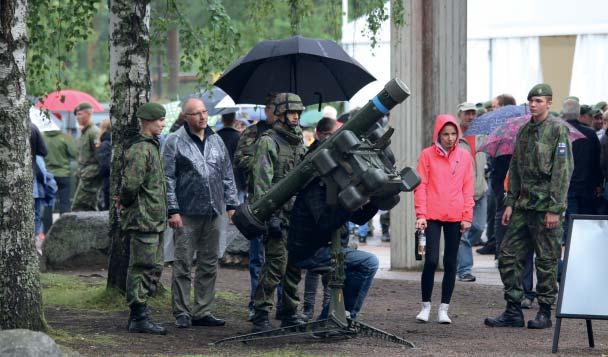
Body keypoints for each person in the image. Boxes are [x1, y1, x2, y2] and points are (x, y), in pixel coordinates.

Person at [485, 83, 573, 329]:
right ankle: (513, 309)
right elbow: (515, 169)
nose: (534, 104)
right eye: (531, 101)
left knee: (546, 261)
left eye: (539, 100)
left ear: (549, 103)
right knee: (507, 255)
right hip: (523, 206)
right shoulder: (523, 132)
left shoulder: (558, 131)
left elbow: (562, 172)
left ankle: (544, 311)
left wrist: (555, 208)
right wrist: (510, 203)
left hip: (546, 207)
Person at [163, 98, 239, 329]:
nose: (202, 117)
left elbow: (227, 174)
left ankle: (203, 310)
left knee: (209, 262)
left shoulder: (217, 140)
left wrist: (232, 204)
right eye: (196, 113)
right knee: (183, 263)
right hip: (185, 213)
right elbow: (167, 178)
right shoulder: (174, 141)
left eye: (205, 112)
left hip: (214, 210)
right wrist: (173, 209)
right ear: (186, 116)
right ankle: (182, 311)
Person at [250, 93, 307, 332]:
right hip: (276, 215)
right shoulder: (268, 140)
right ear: (280, 114)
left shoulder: (299, 139)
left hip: (296, 215)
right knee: (275, 266)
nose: (295, 116)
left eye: (298, 113)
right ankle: (261, 313)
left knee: (294, 266)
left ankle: (288, 311)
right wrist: (269, 216)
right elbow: (261, 183)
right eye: (291, 112)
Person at [414, 114, 474, 324]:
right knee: (430, 261)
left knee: (450, 262)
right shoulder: (427, 155)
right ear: (438, 134)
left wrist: (467, 216)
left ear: (458, 134)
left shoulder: (465, 156)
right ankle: (425, 306)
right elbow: (420, 185)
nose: (449, 138)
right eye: (445, 134)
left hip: (455, 216)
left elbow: (468, 188)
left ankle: (444, 309)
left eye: (453, 134)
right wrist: (420, 214)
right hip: (431, 214)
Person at [117, 102, 167, 335]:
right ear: (147, 121)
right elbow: (130, 186)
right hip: (143, 218)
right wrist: (126, 204)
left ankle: (141, 313)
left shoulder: (151, 146)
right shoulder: (141, 149)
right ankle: (138, 316)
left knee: (152, 266)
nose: (163, 124)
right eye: (159, 120)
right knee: (141, 267)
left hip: (153, 218)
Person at [233, 93, 279, 321]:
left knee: (281, 257)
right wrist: (262, 161)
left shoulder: (290, 135)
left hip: (282, 205)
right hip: (257, 204)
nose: (276, 112)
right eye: (272, 108)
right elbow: (239, 160)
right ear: (267, 110)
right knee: (257, 259)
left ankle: (281, 306)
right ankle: (256, 304)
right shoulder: (252, 132)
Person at [455, 102, 487, 283]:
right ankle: (465, 270)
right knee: (464, 233)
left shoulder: (482, 136)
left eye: (473, 113)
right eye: (467, 113)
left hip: (481, 190)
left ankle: (457, 254)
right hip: (462, 193)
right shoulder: (454, 138)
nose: (471, 117)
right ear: (460, 114)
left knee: (478, 227)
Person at [72, 102, 101, 211]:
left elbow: (99, 159)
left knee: (78, 207)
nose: (77, 117)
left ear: (89, 114)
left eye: (80, 114)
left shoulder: (94, 132)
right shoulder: (85, 132)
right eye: (76, 115)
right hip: (83, 175)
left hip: (89, 177)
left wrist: (89, 173)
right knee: (87, 208)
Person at [42, 123, 77, 215]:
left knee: (47, 203)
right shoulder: (65, 137)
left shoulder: (42, 136)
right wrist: (71, 139)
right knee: (64, 202)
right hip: (63, 174)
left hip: (47, 174)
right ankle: (63, 226)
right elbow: (74, 153)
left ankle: (47, 227)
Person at [217, 112, 245, 203]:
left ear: (222, 119)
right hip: (236, 177)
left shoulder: (215, 136)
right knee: (238, 204)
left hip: (219, 177)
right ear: (234, 120)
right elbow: (242, 159)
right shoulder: (238, 136)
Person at [96, 119, 112, 211]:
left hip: (107, 181)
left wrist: (100, 174)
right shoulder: (113, 141)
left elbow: (105, 166)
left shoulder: (105, 144)